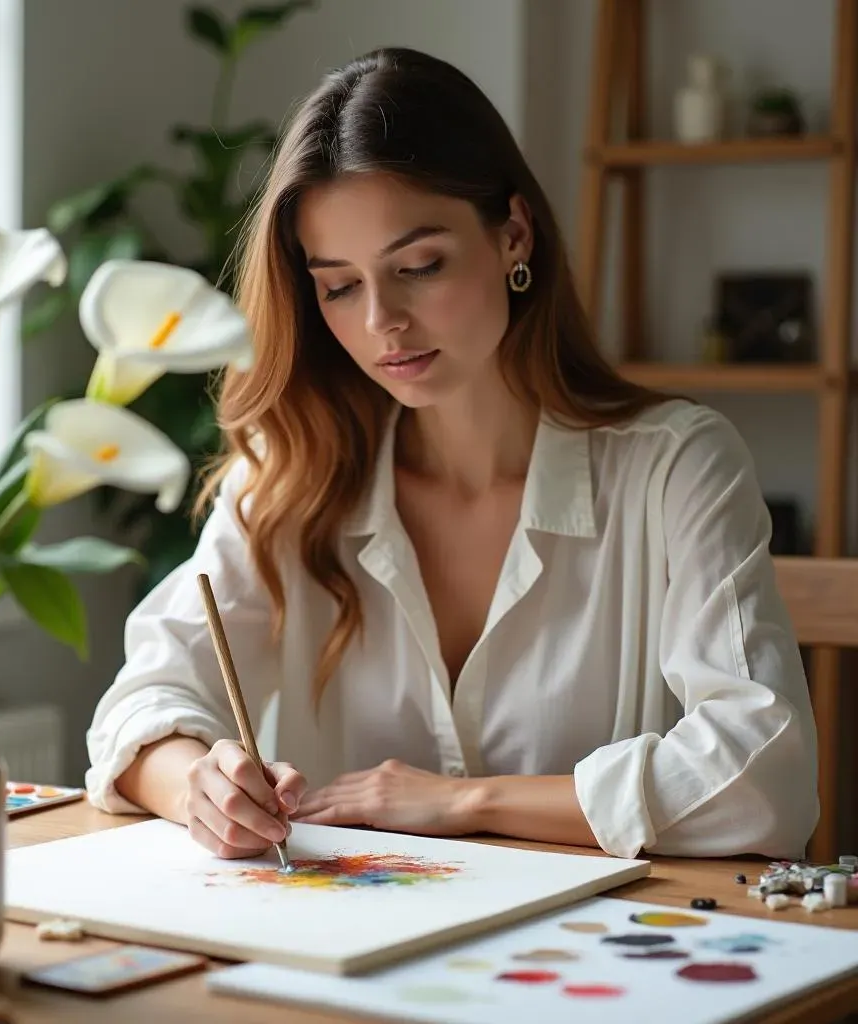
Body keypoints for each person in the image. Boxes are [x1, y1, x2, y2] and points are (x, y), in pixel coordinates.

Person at [85, 46, 818, 862]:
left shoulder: (677, 468)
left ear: (513, 235)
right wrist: (199, 785)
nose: (381, 323)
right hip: (343, 961)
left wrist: (462, 803)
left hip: (587, 969)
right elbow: (141, 705)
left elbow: (766, 774)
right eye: (338, 285)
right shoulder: (292, 469)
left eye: (419, 266)